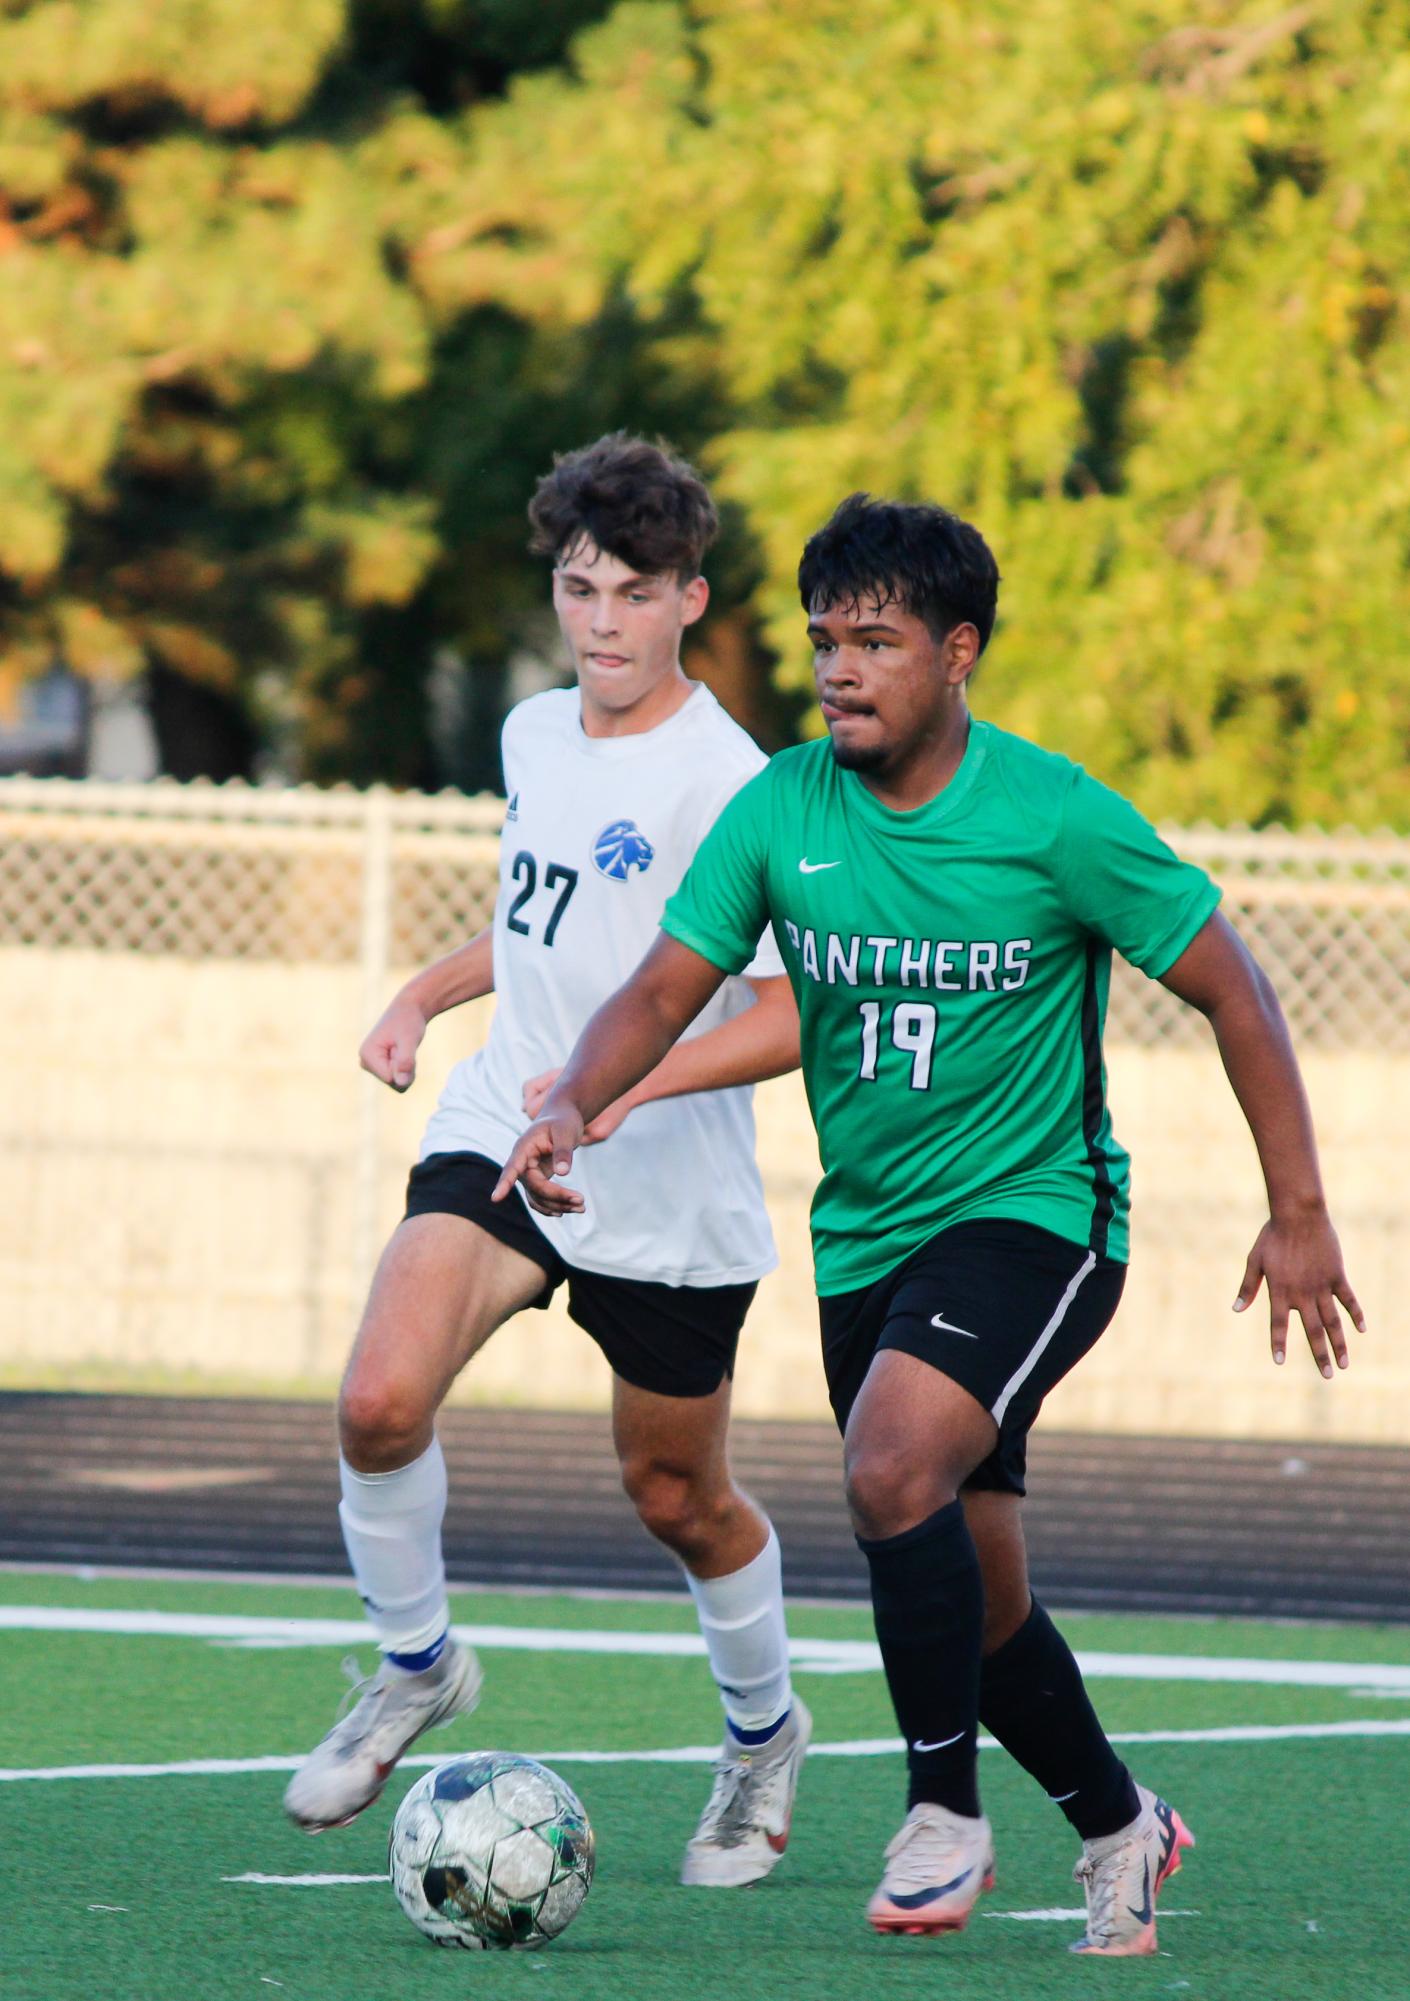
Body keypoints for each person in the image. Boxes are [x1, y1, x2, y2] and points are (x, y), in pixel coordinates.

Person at [495, 491, 1365, 1955]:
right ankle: (1116, 1822)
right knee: (973, 1597)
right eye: (824, 638)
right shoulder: (781, 806)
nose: (840, 668)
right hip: (868, 1240)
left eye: (876, 641)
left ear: (956, 653)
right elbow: (659, 988)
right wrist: (575, 1099)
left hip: (1038, 1218)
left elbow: (1233, 985)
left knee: (886, 1460)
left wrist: (1298, 1211)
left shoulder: (1050, 816)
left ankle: (938, 1806)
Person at [284, 434, 813, 1889]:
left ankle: (764, 1736)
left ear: (689, 600)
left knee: (674, 1496)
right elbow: (540, 924)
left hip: (663, 1190)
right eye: (580, 587)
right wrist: (418, 996)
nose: (600, 621)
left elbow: (782, 1014)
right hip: (502, 1130)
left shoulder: (737, 785)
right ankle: (415, 1664)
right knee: (378, 1399)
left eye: (634, 593)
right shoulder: (530, 733)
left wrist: (623, 1092)